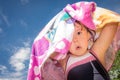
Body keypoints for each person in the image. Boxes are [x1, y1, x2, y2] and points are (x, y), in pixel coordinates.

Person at [27, 1, 120, 80]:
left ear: (89, 35)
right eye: (69, 36)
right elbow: (44, 49)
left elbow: (112, 24)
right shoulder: (63, 61)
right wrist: (61, 22)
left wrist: (85, 13)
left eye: (79, 33)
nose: (75, 40)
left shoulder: (96, 52)